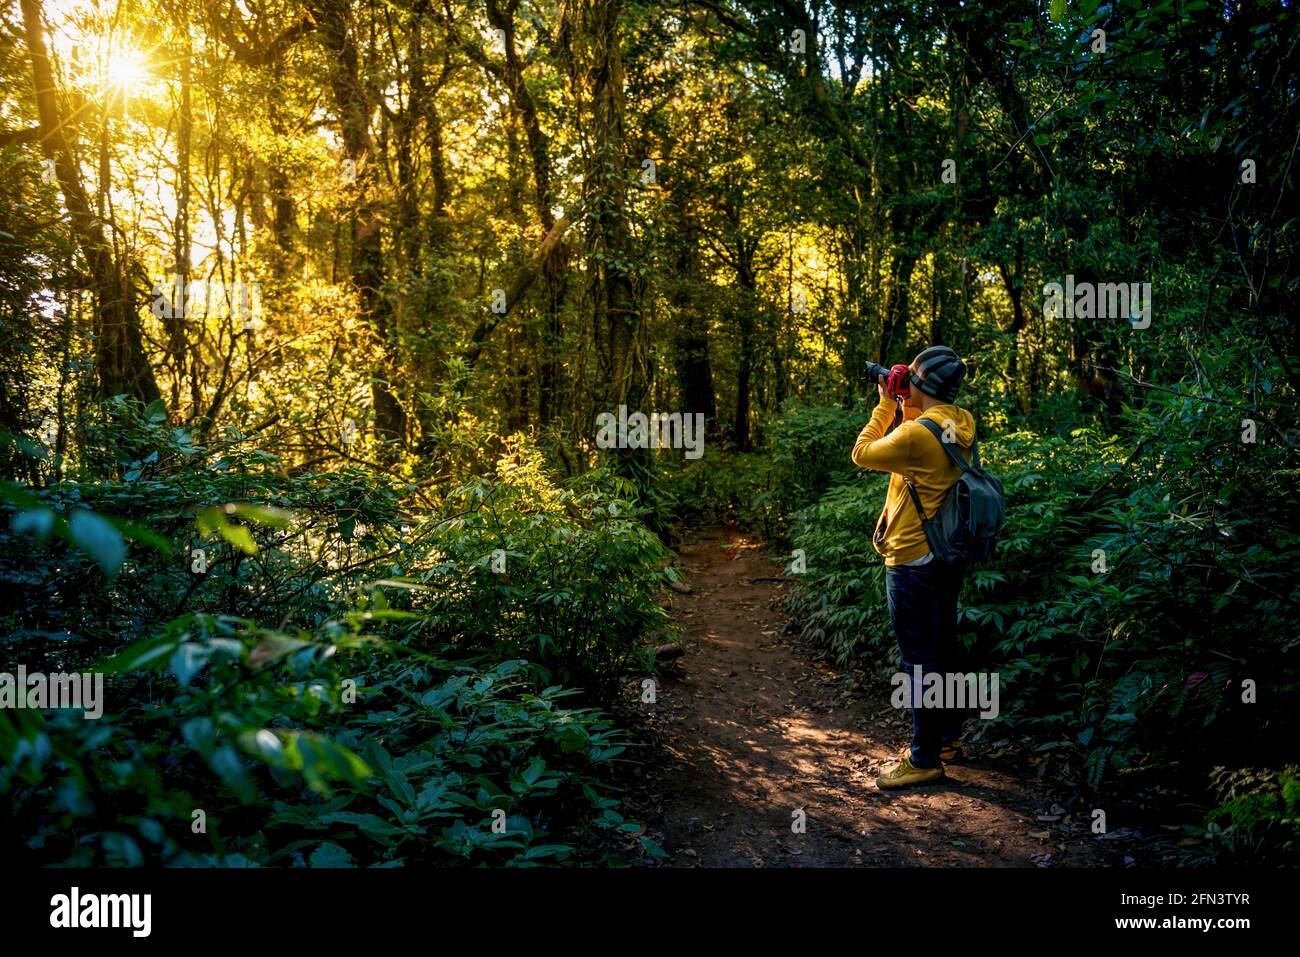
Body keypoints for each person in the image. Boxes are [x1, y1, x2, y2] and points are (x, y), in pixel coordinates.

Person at [850, 345, 974, 789]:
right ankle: (945, 741)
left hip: (910, 558)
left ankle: (923, 759)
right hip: (945, 555)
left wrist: (887, 401)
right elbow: (917, 450)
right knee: (943, 650)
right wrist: (910, 402)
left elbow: (863, 452)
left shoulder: (915, 434)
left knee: (919, 660)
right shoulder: (960, 422)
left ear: (920, 386)